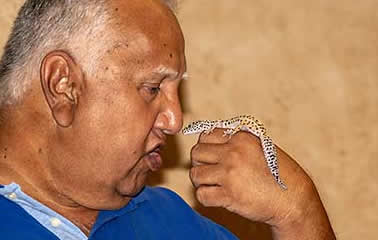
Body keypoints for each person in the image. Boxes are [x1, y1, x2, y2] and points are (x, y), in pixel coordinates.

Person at [0, 0, 336, 239]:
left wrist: (297, 213)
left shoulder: (173, 220)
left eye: (177, 89)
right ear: (64, 85)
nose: (175, 121)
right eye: (152, 87)